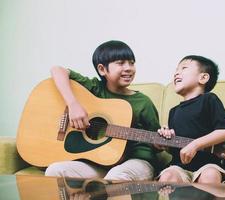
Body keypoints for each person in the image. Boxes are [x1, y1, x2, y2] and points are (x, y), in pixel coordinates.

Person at [45, 40, 160, 181]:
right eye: (121, 63)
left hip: (137, 162)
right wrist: (73, 105)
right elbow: (57, 70)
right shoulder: (95, 88)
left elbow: (158, 141)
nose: (129, 68)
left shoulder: (143, 102)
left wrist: (161, 143)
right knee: (55, 170)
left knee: (116, 177)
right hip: (99, 163)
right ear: (102, 69)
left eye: (131, 63)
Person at [156, 55, 225, 184]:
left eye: (184, 68)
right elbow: (176, 148)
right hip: (179, 166)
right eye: (176, 70)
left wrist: (195, 144)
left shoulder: (209, 99)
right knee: (168, 177)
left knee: (210, 176)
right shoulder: (174, 111)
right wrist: (165, 142)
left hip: (208, 164)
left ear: (203, 78)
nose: (177, 73)